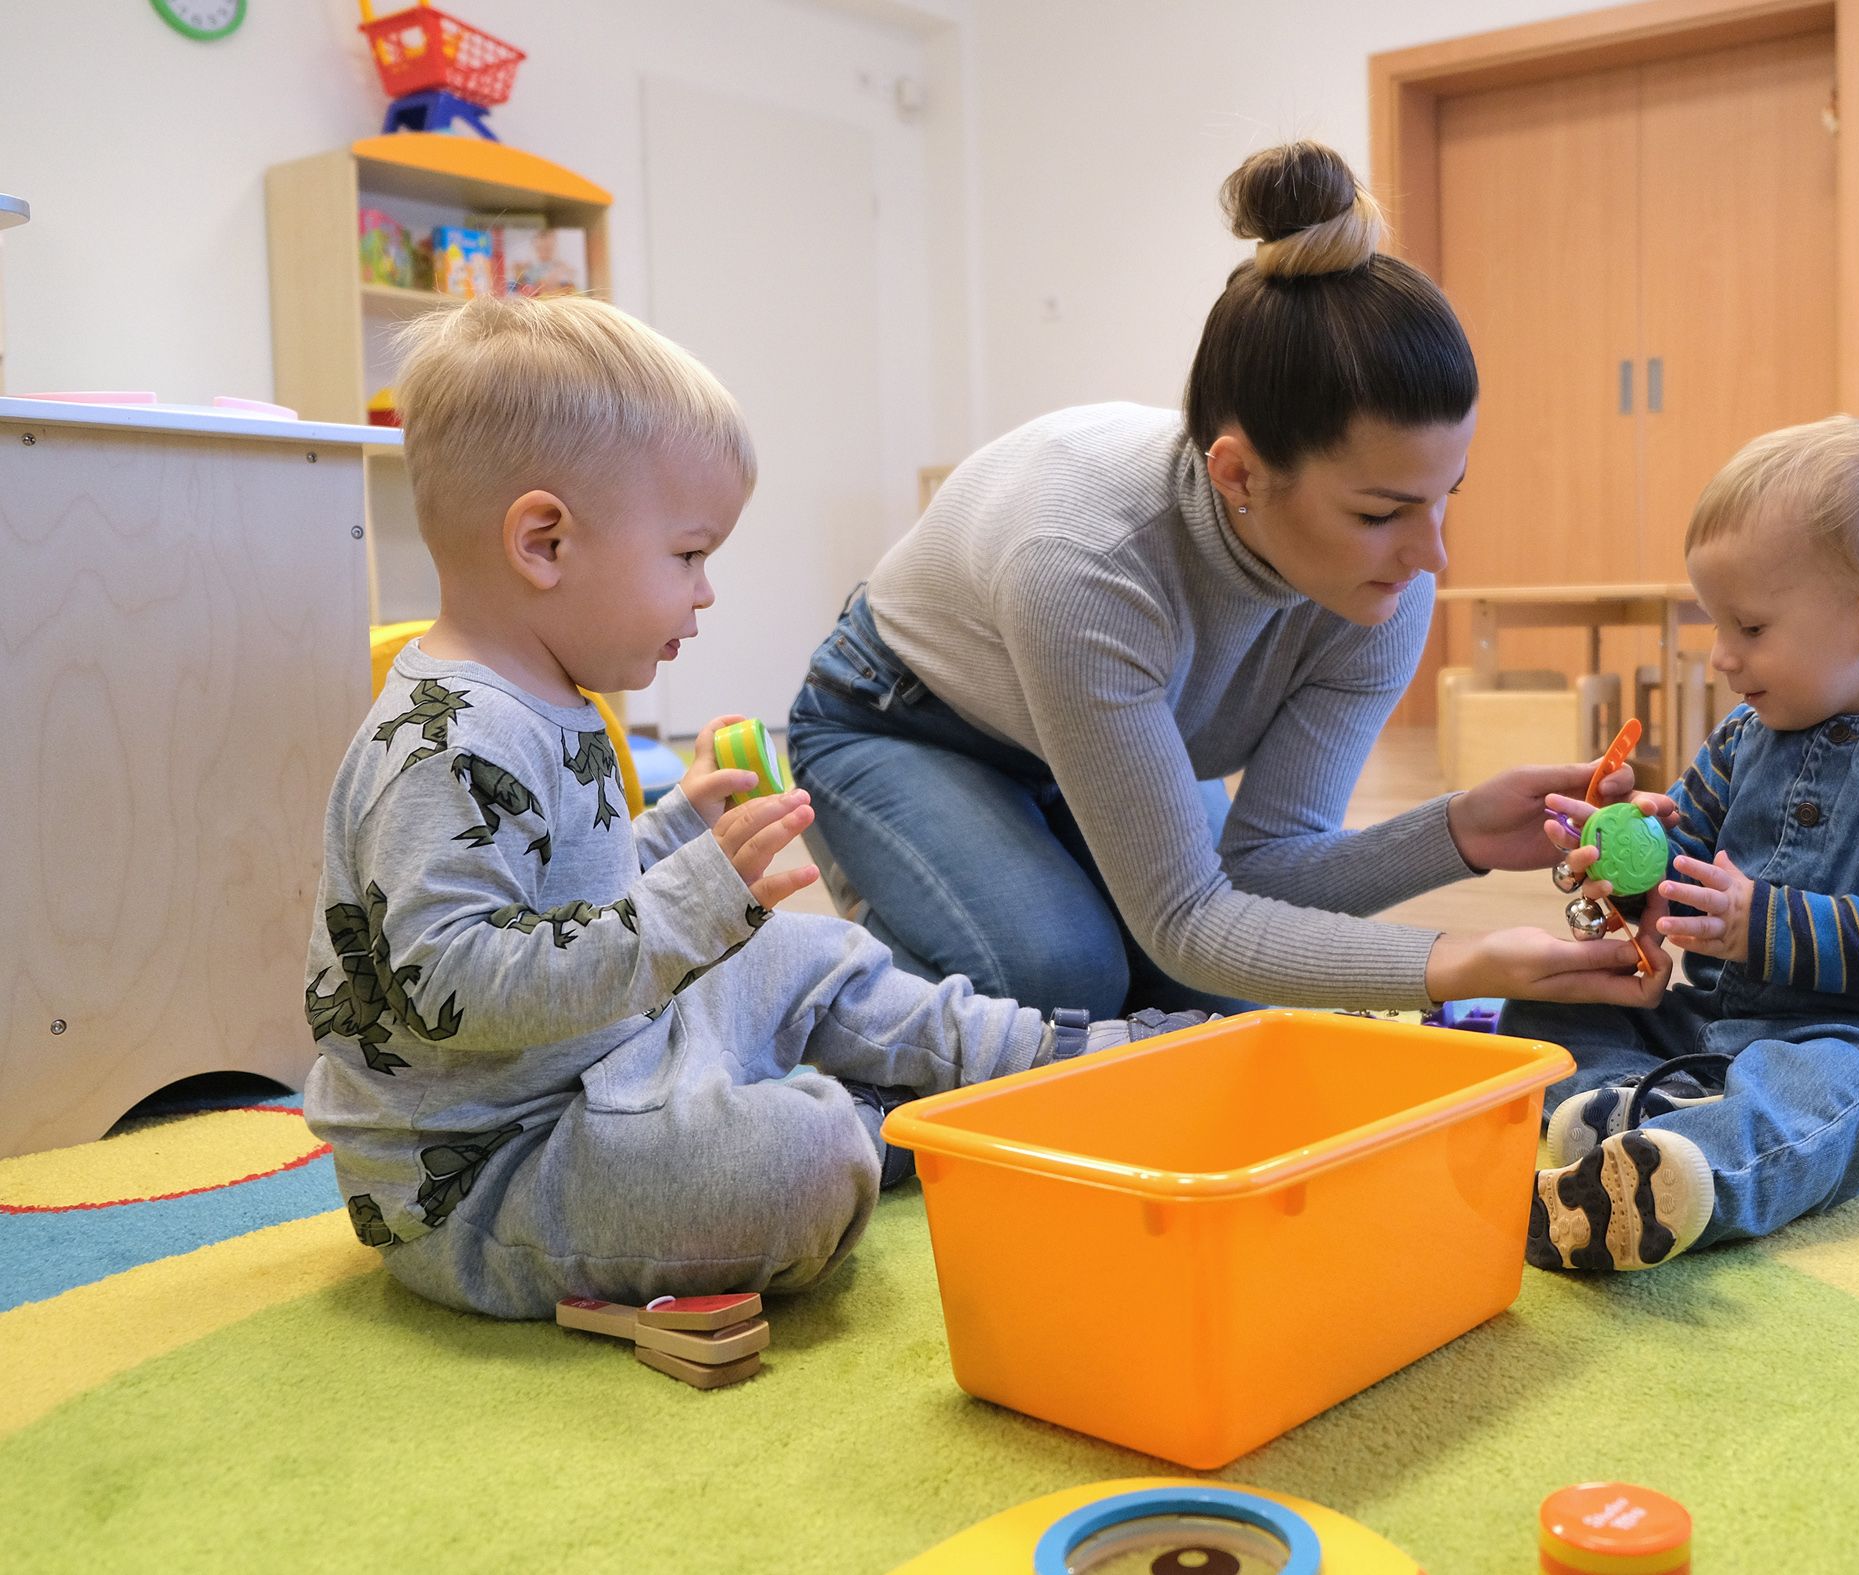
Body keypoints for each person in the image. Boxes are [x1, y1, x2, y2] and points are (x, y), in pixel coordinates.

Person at [303, 296, 1195, 1320]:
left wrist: (674, 828)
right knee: (794, 1157)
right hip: (494, 1171)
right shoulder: (449, 739)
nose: (707, 592)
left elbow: (556, 894)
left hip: (605, 1054)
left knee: (804, 954)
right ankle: (892, 1132)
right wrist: (688, 904)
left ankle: (1046, 1064)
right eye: (688, 555)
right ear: (544, 543)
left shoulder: (545, 692)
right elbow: (455, 986)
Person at [787, 140, 1668, 1021]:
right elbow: (1186, 916)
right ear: (1238, 474)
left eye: (1447, 497)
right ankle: (857, 940)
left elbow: (1262, 871)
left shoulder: (1385, 592)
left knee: (1211, 980)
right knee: (1061, 978)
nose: (1431, 555)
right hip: (901, 719)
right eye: (1379, 513)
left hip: (1092, 733)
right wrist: (1461, 960)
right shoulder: (1086, 563)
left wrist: (1460, 832)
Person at [1517, 416, 1859, 1273]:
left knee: (1821, 1096)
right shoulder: (1744, 736)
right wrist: (1622, 860)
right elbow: (1680, 873)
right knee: (1540, 1005)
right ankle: (1637, 1106)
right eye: (1717, 625)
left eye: (1750, 628)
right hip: (1721, 1029)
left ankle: (1680, 1174)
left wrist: (1765, 924)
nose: (1722, 656)